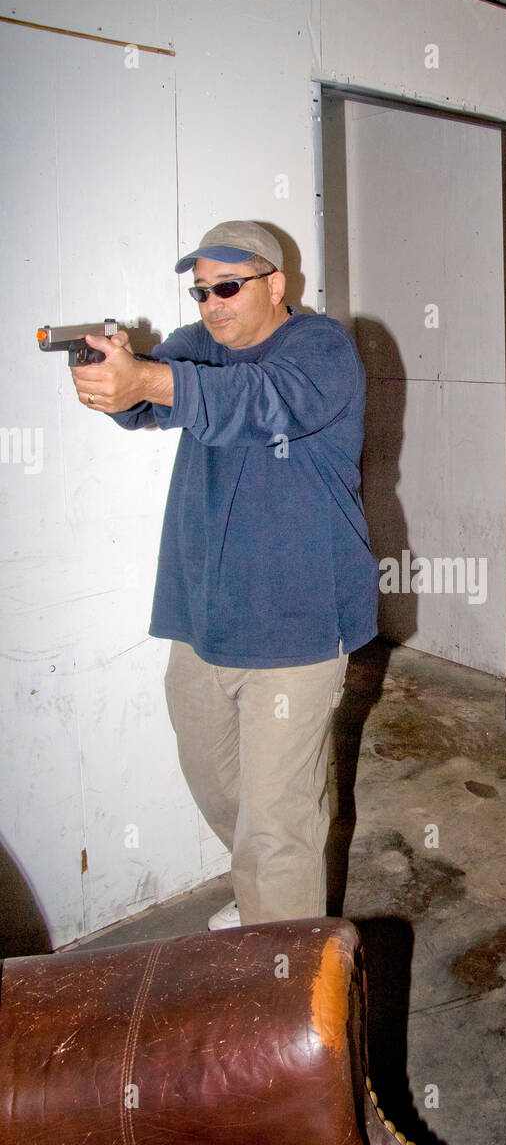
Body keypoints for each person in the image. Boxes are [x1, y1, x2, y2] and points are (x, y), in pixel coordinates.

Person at [70, 220, 379, 928]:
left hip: (299, 621)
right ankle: (267, 899)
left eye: (229, 287)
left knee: (278, 823)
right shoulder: (194, 346)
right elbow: (146, 403)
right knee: (217, 784)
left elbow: (265, 405)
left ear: (276, 285)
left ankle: (289, 978)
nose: (213, 304)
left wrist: (148, 376)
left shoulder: (322, 348)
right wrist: (109, 375)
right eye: (203, 290)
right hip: (202, 614)